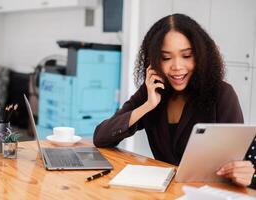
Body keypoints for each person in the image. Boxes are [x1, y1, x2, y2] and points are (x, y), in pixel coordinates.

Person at [93, 13, 256, 188]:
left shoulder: (222, 94)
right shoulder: (152, 91)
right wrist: (147, 105)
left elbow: (243, 164)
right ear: (154, 61)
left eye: (186, 56)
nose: (177, 66)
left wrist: (250, 175)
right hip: (165, 192)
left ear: (200, 56)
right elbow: (101, 138)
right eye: (166, 58)